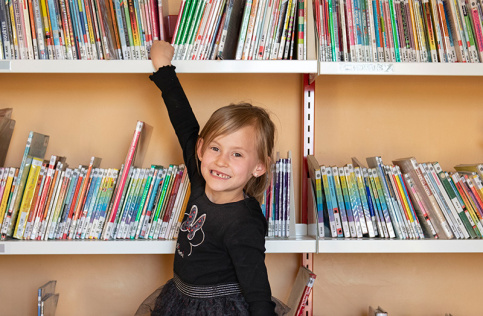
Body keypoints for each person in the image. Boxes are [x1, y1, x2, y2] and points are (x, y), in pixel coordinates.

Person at [148, 40, 277, 316]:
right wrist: (164, 69)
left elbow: (257, 290)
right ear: (201, 149)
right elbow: (184, 123)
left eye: (237, 154)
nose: (221, 161)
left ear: (259, 167)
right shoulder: (200, 178)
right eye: (216, 148)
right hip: (180, 301)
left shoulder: (243, 222)